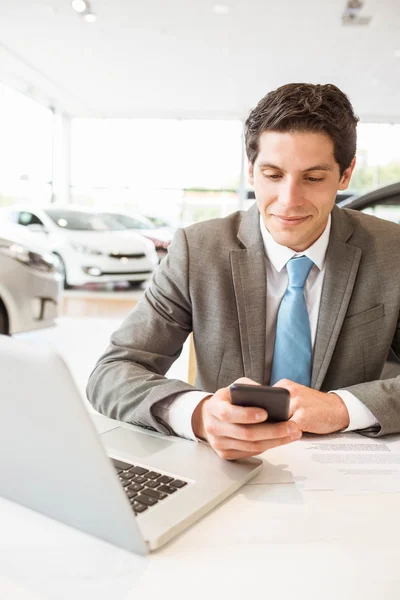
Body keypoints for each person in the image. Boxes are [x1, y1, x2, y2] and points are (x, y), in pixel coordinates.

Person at [87, 83, 400, 460]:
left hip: (349, 473)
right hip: (226, 467)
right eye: (273, 174)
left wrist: (342, 408)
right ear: (251, 171)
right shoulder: (197, 250)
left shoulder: (392, 251)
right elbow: (113, 372)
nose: (288, 200)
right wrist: (199, 415)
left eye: (313, 178)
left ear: (345, 174)